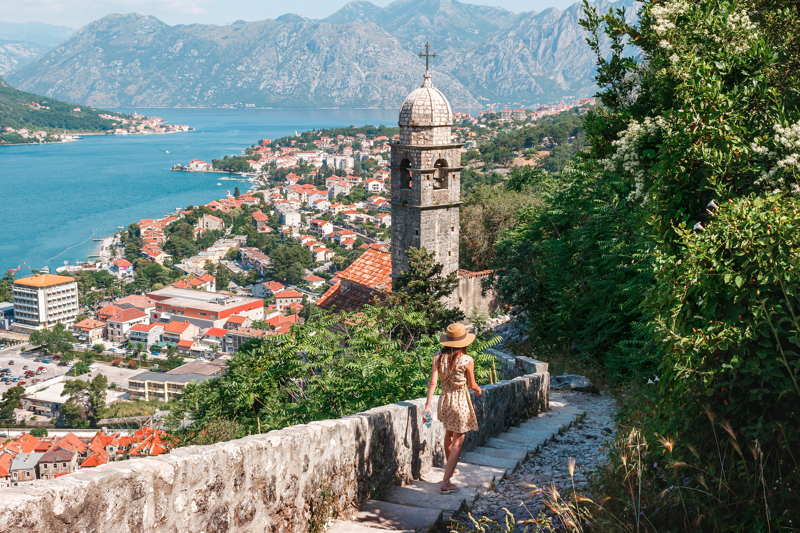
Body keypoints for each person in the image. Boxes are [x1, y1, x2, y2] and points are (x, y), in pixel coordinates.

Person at [423, 322, 482, 494]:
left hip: (444, 400)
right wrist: (478, 390)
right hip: (459, 401)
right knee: (458, 440)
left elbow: (433, 382)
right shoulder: (466, 360)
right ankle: (446, 483)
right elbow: (472, 384)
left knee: (448, 435)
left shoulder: (438, 358)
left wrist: (428, 405)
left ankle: (450, 468)